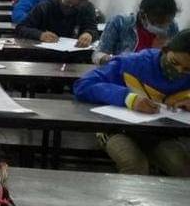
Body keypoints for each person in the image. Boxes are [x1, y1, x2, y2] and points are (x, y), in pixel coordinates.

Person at [73, 30, 190, 176]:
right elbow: (83, 85)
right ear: (165, 50)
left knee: (183, 167)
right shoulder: (133, 63)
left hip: (160, 134)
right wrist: (128, 98)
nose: (179, 71)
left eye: (187, 69)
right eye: (174, 63)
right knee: (135, 166)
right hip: (116, 129)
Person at [94, 0, 180, 65]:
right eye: (157, 22)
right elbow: (97, 55)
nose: (162, 27)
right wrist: (111, 60)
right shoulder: (120, 23)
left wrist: (165, 52)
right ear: (143, 15)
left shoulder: (172, 28)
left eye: (167, 22)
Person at [16, 0, 98, 47]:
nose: (70, 7)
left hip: (75, 53)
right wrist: (40, 35)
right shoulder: (45, 7)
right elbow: (21, 28)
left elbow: (93, 29)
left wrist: (89, 34)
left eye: (76, 6)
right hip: (44, 53)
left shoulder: (87, 8)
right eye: (67, 2)